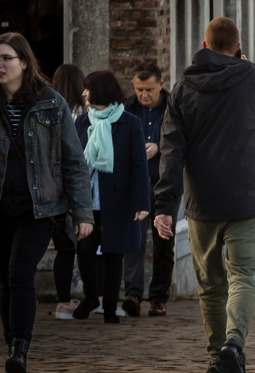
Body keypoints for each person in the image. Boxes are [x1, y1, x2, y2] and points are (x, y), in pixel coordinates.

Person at [155, 17, 255, 373]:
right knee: (244, 276)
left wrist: (165, 205)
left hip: (201, 204)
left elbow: (171, 150)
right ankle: (234, 343)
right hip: (245, 198)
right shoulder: (252, 78)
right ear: (237, 47)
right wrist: (253, 70)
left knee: (211, 285)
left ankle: (217, 361)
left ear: (203, 44)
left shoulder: (182, 89)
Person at [0, 32, 93, 373]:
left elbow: (73, 162)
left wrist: (82, 214)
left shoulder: (52, 103)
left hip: (40, 208)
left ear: (25, 62)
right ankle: (12, 349)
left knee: (20, 273)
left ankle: (19, 348)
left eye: (6, 58)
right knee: (4, 282)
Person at [70, 71, 152, 324]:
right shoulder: (82, 123)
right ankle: (92, 296)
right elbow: (73, 163)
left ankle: (109, 306)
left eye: (88, 89)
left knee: (114, 254)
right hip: (88, 200)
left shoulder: (130, 123)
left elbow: (139, 165)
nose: (83, 93)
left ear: (101, 91)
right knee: (84, 248)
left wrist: (142, 203)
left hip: (119, 199)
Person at [120, 62, 173, 317]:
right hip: (136, 185)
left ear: (160, 85)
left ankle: (159, 298)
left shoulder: (174, 107)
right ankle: (132, 293)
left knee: (163, 242)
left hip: (165, 184)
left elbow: (184, 140)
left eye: (149, 89)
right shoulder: (127, 108)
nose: (143, 94)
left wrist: (158, 147)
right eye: (139, 89)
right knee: (135, 239)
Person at [49, 63, 87, 320]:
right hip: (77, 187)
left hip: (52, 189)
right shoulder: (84, 114)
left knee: (63, 248)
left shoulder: (48, 109)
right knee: (84, 246)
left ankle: (63, 301)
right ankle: (91, 296)